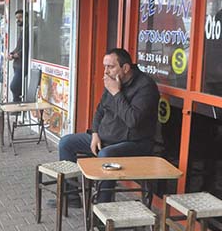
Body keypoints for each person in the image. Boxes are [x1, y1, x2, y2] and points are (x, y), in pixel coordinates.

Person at [53, 48, 159, 206]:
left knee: (106, 154)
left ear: (125, 68)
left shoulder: (146, 87)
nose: (106, 71)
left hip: (134, 142)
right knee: (66, 142)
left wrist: (116, 93)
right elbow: (100, 111)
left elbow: (132, 120)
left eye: (111, 67)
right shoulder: (112, 81)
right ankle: (72, 198)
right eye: (105, 66)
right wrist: (95, 133)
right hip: (105, 137)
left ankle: (102, 207)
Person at [8, 9, 28, 102]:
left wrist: (16, 55)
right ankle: (17, 106)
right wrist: (12, 53)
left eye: (20, 17)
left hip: (22, 65)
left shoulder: (28, 30)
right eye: (17, 18)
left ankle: (16, 105)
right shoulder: (22, 30)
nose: (18, 20)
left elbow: (26, 47)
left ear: (26, 18)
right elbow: (19, 47)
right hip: (17, 65)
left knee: (14, 87)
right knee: (18, 89)